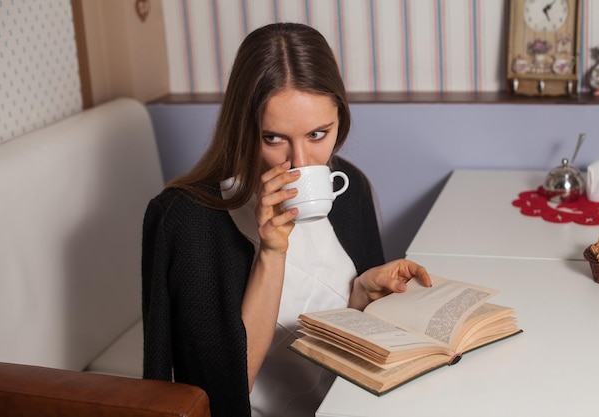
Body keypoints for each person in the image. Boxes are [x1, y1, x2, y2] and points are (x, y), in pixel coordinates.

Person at [141, 22, 431, 417]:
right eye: (274, 138)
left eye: (318, 134)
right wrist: (271, 253)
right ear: (243, 129)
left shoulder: (349, 191)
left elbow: (358, 345)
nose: (300, 162)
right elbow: (216, 399)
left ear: (340, 119)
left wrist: (361, 295)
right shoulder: (189, 222)